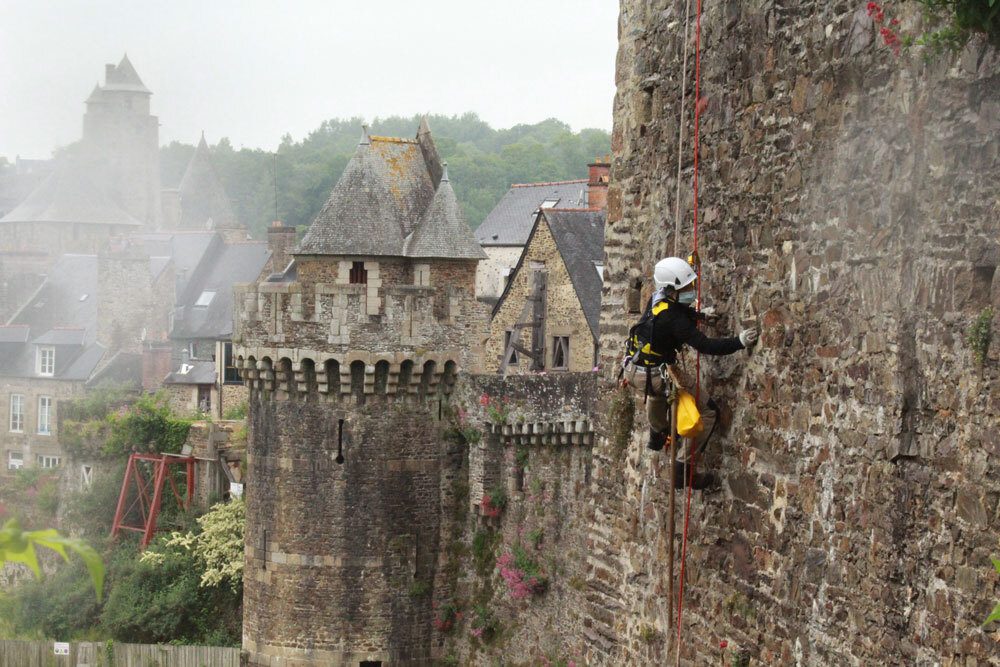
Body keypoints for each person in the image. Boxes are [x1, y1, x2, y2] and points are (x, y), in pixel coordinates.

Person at [622, 256, 758, 489]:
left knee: (658, 397)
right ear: (673, 289)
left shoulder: (657, 300)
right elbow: (706, 346)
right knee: (708, 412)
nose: (692, 290)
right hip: (657, 375)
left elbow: (677, 314)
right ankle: (682, 470)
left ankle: (658, 431)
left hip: (633, 370)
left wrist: (701, 316)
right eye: (687, 287)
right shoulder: (673, 318)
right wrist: (739, 342)